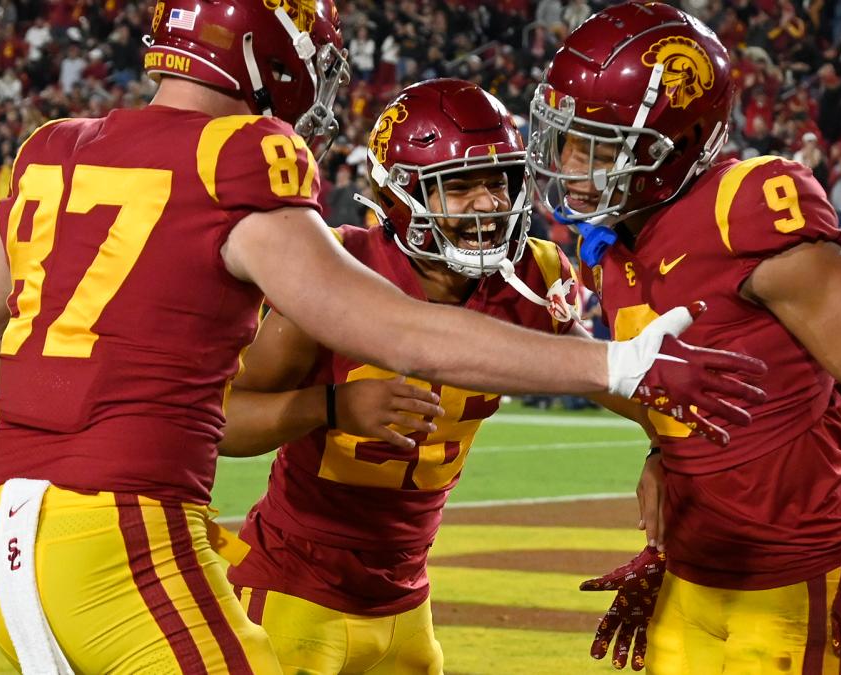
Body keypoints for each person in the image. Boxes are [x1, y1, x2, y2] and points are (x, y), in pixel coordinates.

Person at [0, 2, 765, 673]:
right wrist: (617, 360)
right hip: (123, 538)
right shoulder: (241, 155)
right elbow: (391, 328)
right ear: (269, 51)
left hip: (8, 542)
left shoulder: (54, 152)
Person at [527, 4, 841, 673]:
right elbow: (670, 387)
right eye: (568, 138)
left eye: (597, 144)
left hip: (792, 582)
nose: (570, 163)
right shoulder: (614, 245)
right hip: (689, 579)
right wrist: (661, 450)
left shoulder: (743, 208)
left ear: (676, 141)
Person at [218, 79, 660, 674]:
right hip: (293, 589)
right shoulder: (340, 267)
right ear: (400, 194)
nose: (487, 204)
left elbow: (606, 376)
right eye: (459, 185)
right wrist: (332, 406)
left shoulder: (532, 276)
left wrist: (663, 447)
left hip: (405, 602)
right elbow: (221, 421)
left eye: (497, 181)